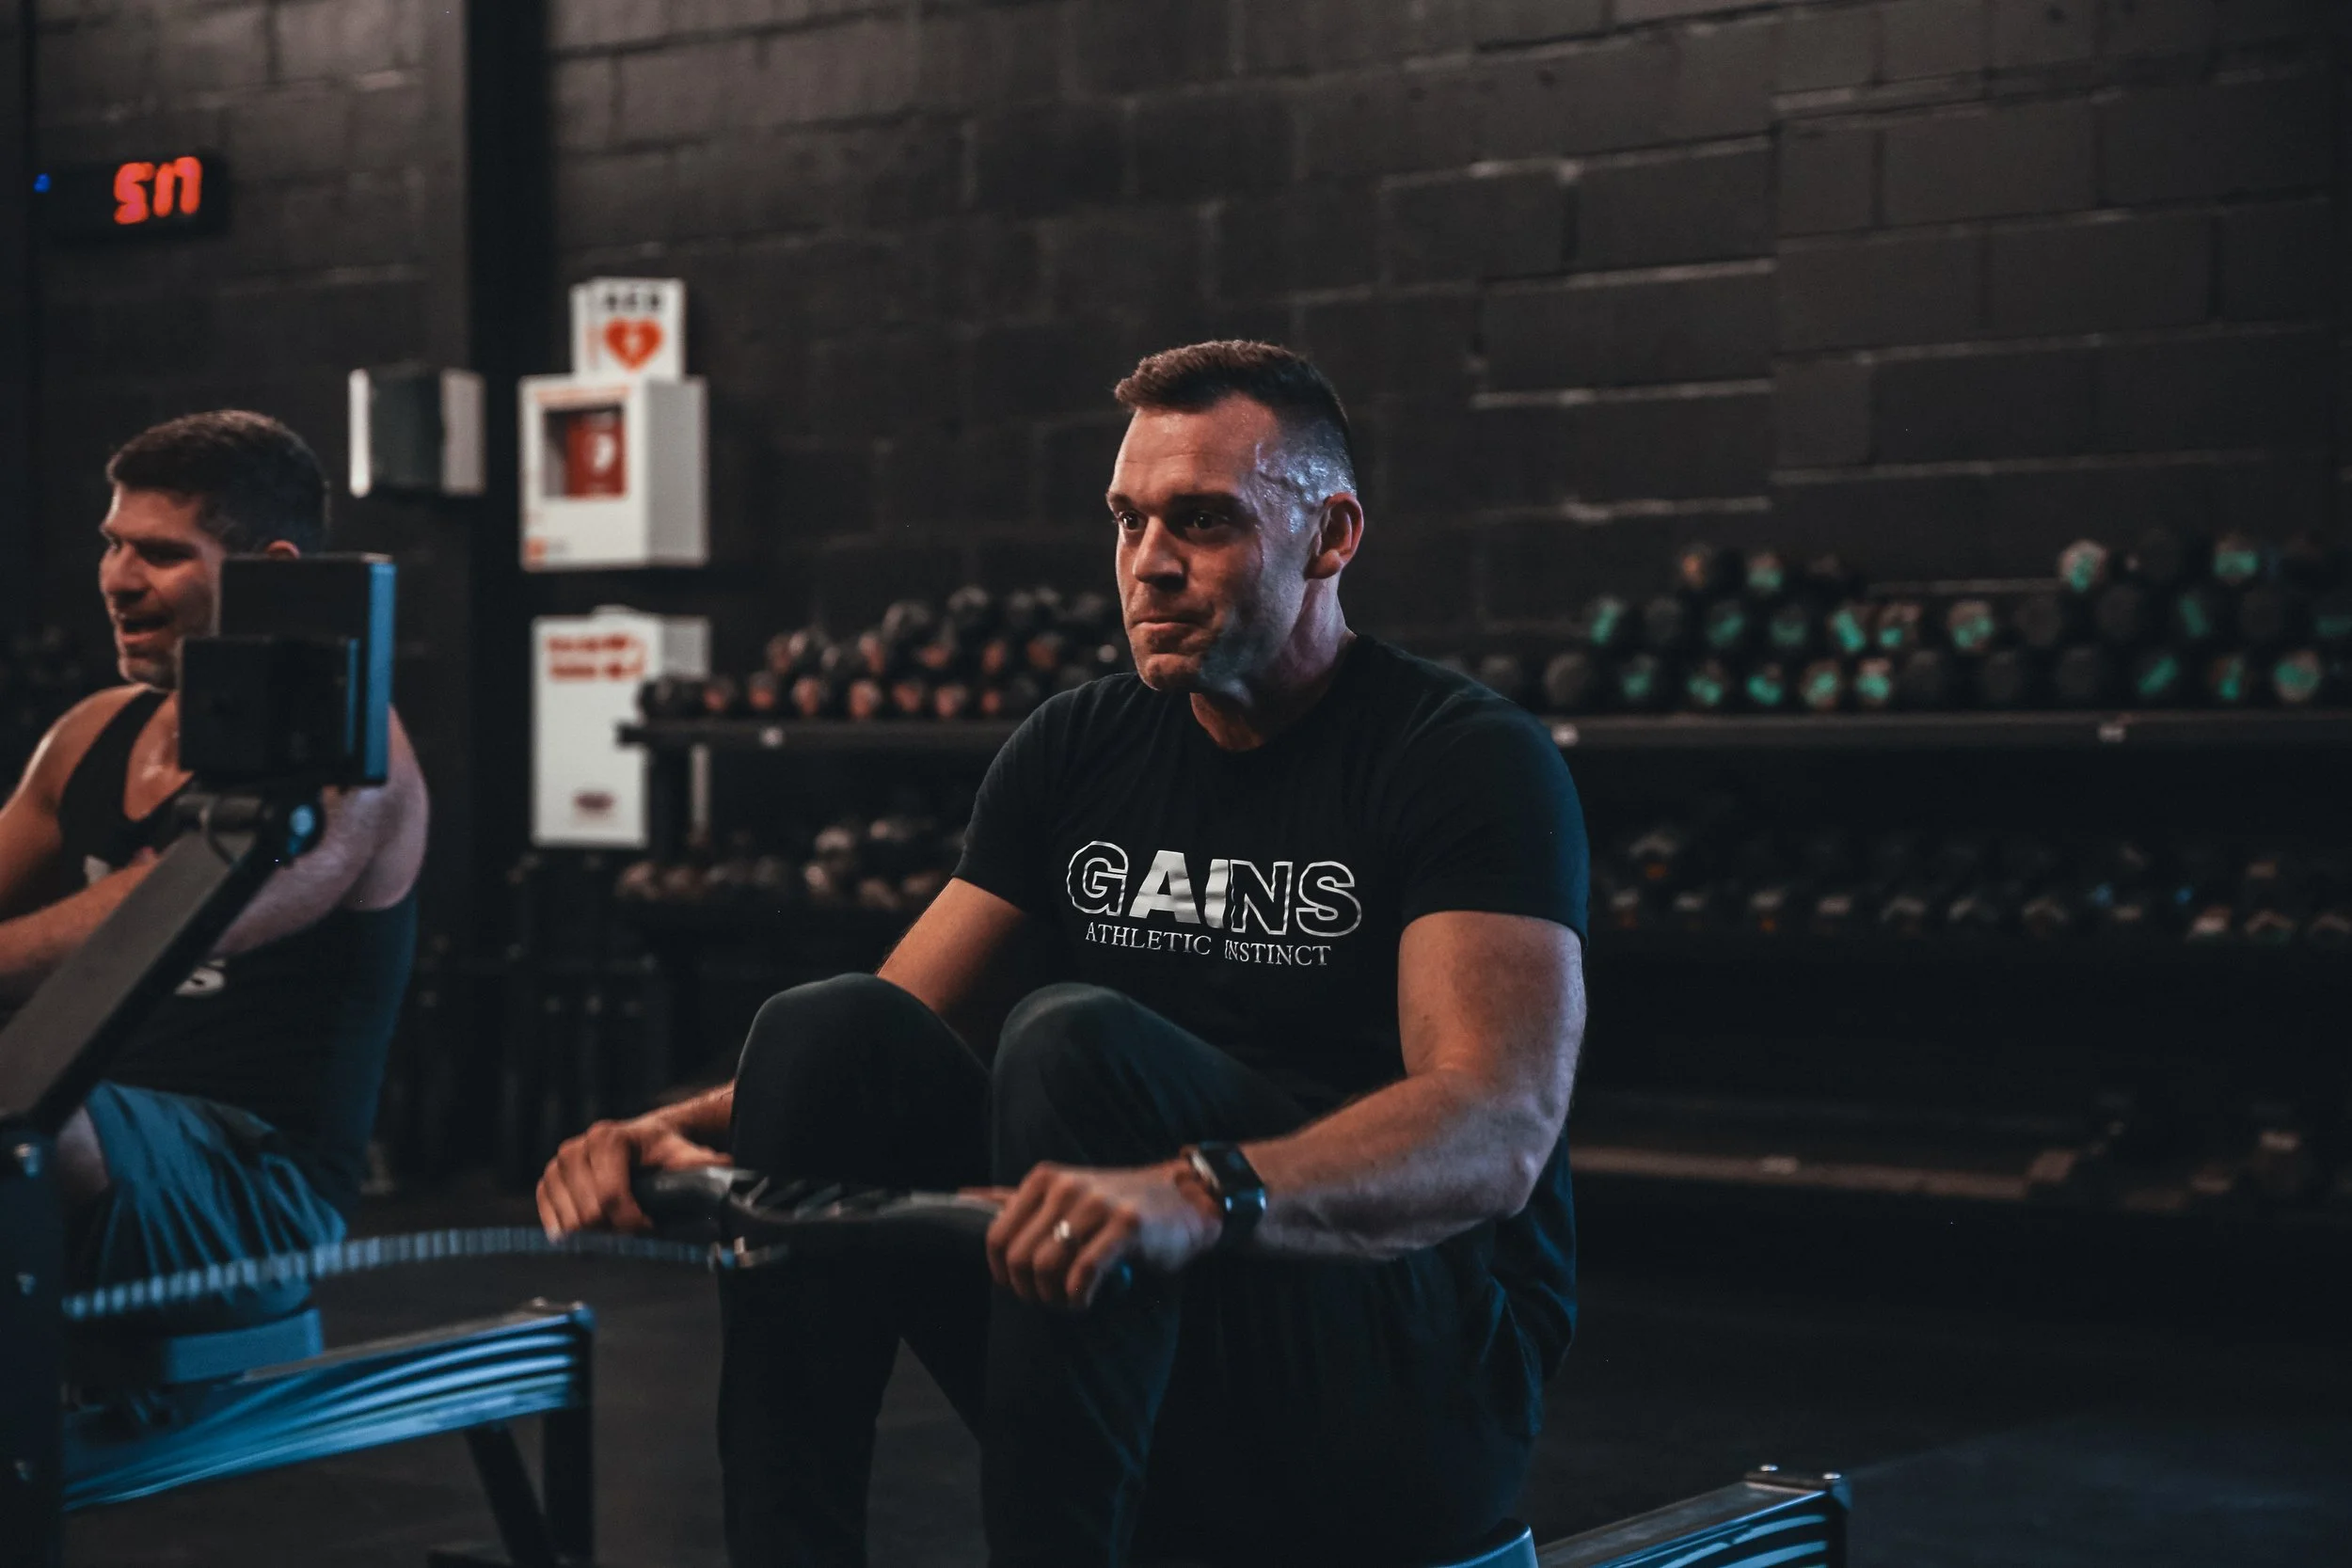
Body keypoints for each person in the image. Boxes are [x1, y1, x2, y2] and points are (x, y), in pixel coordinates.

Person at [539, 342, 1588, 1567]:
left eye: (1202, 521)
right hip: (1135, 1324)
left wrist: (1201, 1190)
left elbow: (1496, 1124)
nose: (1150, 562)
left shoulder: (1461, 756)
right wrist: (671, 1132)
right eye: (1129, 520)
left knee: (1071, 1041)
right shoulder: (1079, 744)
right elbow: (880, 1039)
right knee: (821, 1027)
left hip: (1405, 1376)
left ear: (1332, 533)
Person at [0, 410, 428, 1324]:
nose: (117, 579)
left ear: (268, 571)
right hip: (81, 1127)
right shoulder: (88, 736)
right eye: (111, 544)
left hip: (255, 1186)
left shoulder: (359, 754)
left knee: (22, 1102)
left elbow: (189, 911)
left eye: (158, 554)